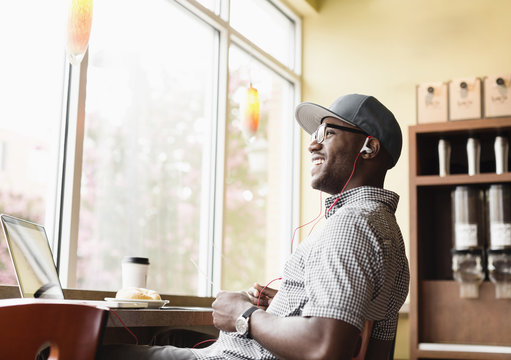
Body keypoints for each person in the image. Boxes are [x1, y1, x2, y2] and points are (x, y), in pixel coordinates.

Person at [99, 93, 409, 360]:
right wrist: (286, 309)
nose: (312, 145)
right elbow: (376, 351)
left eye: (327, 133)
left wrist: (243, 315)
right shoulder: (388, 234)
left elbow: (324, 346)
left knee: (92, 350)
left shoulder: (351, 226)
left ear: (368, 147)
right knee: (170, 335)